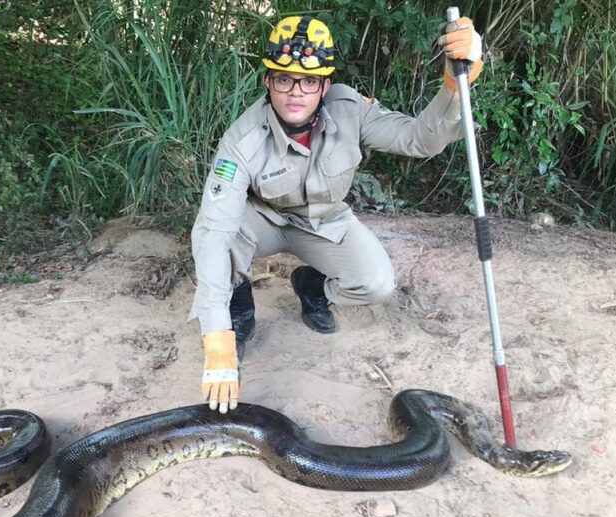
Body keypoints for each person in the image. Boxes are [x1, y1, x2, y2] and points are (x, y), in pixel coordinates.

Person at [189, 14, 484, 413]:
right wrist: (217, 338)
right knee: (222, 239)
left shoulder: (349, 109)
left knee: (377, 283)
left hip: (325, 221)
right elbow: (213, 232)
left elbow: (419, 139)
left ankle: (312, 286)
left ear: (325, 85)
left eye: (309, 81)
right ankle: (238, 309)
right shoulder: (242, 140)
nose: (296, 92)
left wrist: (454, 85)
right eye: (283, 78)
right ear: (268, 81)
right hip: (264, 221)